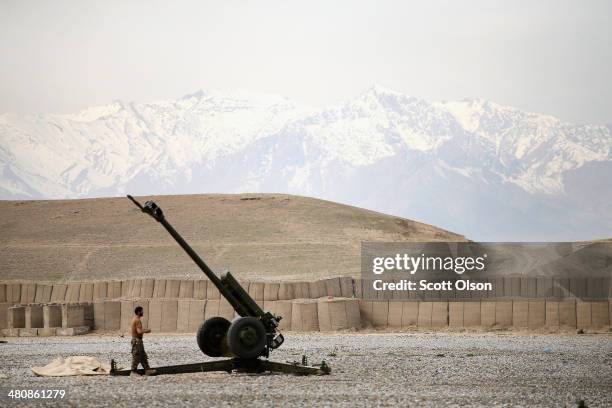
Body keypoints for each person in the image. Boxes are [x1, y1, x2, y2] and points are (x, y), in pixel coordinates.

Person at [130, 306, 156, 376]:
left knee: (143, 356)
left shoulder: (135, 319)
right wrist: (147, 330)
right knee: (137, 356)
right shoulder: (137, 320)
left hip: (138, 340)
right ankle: (133, 371)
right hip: (137, 341)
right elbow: (139, 331)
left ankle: (147, 370)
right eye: (142, 311)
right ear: (138, 312)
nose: (142, 312)